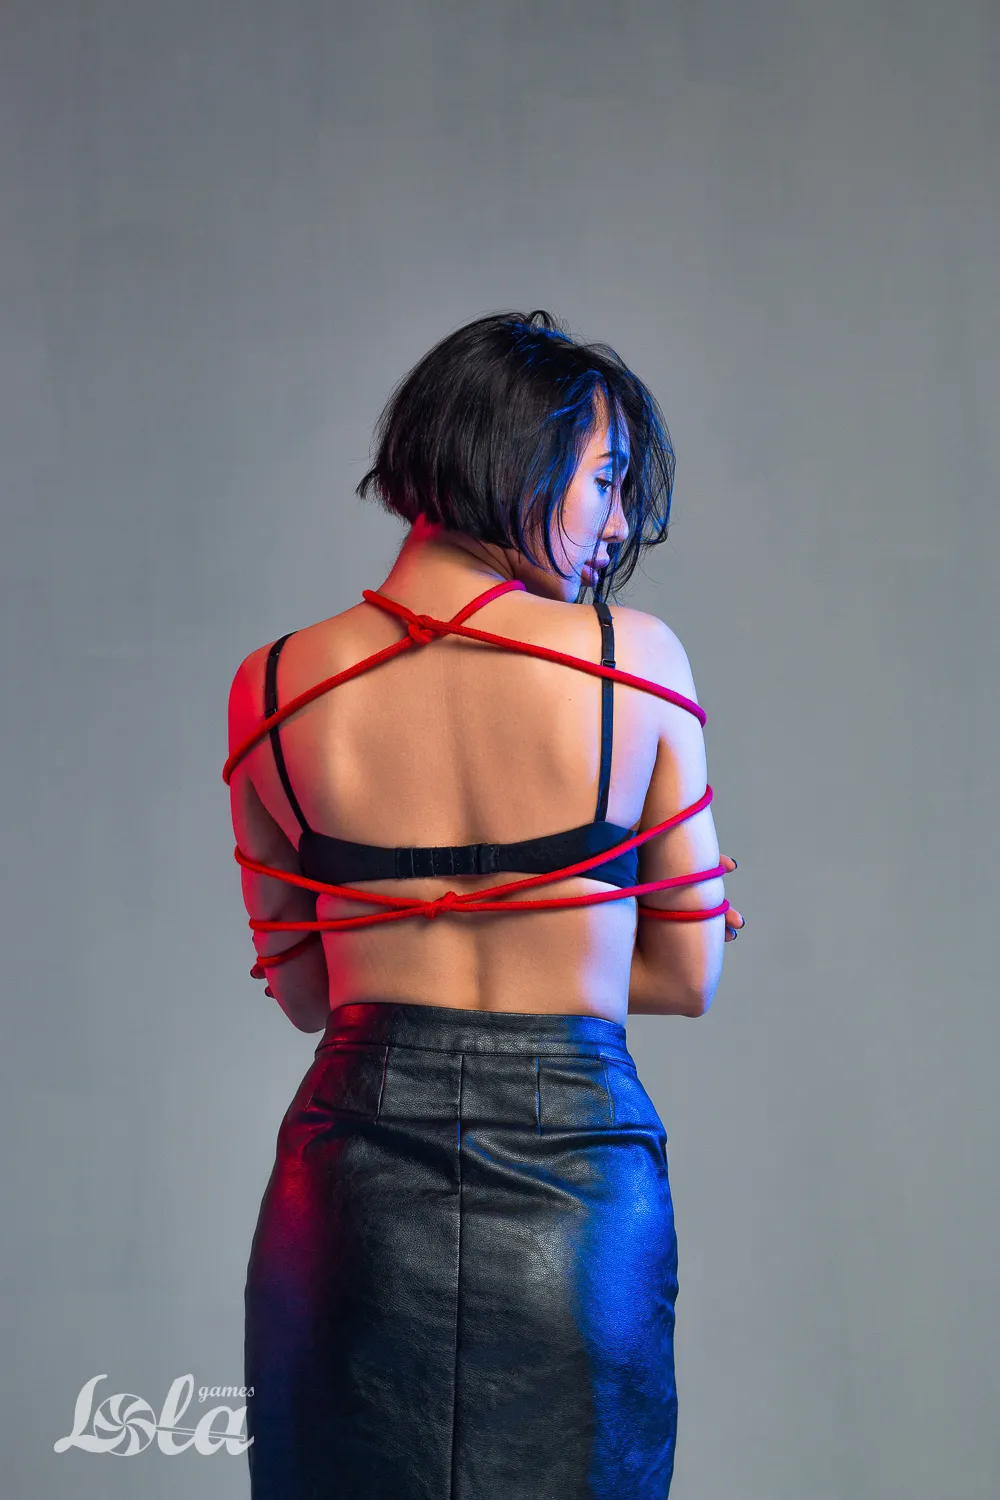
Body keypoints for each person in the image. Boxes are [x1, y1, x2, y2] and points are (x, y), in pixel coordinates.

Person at [224, 309, 744, 1499]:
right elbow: (686, 976)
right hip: (580, 1176)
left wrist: (407, 928)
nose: (618, 525)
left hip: (346, 1190)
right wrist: (583, 923)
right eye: (605, 480)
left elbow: (307, 994)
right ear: (514, 455)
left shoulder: (272, 685)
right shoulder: (631, 659)